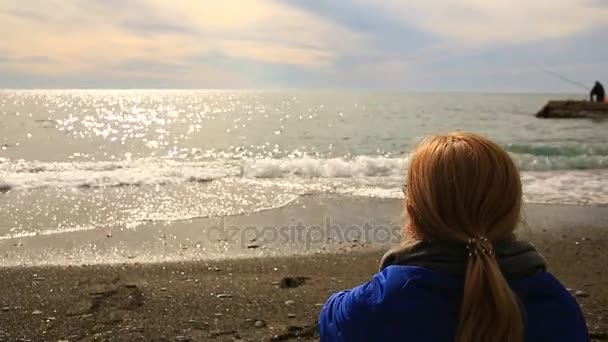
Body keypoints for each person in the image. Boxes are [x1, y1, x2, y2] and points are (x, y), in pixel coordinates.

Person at [319, 132, 588, 342]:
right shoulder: (555, 303)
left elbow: (329, 320)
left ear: (413, 210)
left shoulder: (379, 303)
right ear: (512, 211)